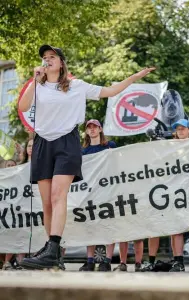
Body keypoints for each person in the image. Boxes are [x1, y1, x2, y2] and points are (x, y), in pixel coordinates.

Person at [19, 44, 155, 270]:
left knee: (57, 195)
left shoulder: (76, 85)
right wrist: (35, 80)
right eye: (44, 57)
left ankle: (53, 247)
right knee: (46, 203)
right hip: (43, 142)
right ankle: (53, 254)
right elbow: (23, 106)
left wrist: (134, 77)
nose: (47, 60)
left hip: (66, 142)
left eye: (52, 56)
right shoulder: (38, 86)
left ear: (61, 62)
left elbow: (110, 91)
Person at [79, 119, 117, 272]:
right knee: (90, 226)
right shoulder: (83, 152)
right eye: (90, 128)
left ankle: (107, 260)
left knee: (107, 225)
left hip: (108, 191)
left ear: (101, 129)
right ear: (87, 132)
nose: (92, 130)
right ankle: (90, 260)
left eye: (95, 127)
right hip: (90, 193)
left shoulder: (110, 146)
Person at [168, 119, 189, 272]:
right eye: (178, 129)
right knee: (177, 227)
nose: (180, 131)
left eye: (183, 128)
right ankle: (178, 261)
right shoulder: (170, 148)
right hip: (176, 192)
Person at [2, 159, 18, 270]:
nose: (10, 166)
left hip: (14, 213)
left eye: (13, 165)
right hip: (3, 213)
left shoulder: (19, 179)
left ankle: (7, 262)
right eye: (8, 165)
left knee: (13, 236)